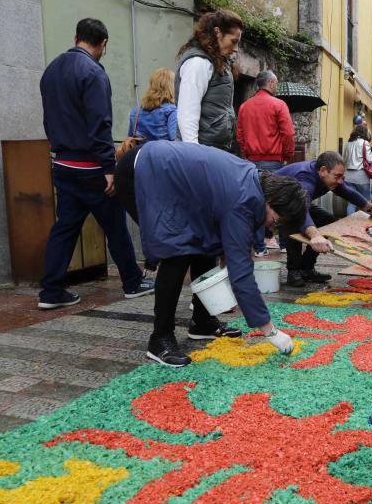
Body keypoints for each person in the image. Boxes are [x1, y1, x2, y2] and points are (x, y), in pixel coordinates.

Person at [114, 141, 307, 367]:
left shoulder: (257, 186)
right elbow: (241, 273)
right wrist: (271, 331)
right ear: (272, 201)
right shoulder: (243, 200)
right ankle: (160, 339)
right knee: (177, 251)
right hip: (141, 172)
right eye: (276, 221)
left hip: (169, 178)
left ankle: (202, 322)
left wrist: (226, 248)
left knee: (204, 245)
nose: (271, 227)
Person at [37, 18, 153, 310]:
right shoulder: (93, 72)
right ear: (103, 44)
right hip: (91, 166)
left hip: (63, 163)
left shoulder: (51, 71)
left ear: (76, 37)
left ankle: (50, 290)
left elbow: (49, 120)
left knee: (65, 228)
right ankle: (132, 281)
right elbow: (100, 124)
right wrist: (109, 168)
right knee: (115, 225)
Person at [277, 152, 372, 287]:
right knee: (295, 226)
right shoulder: (305, 178)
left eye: (342, 177)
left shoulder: (328, 177)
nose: (340, 181)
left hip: (300, 203)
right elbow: (300, 210)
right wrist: (315, 235)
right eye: (337, 176)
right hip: (281, 205)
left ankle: (306, 268)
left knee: (328, 222)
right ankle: (293, 272)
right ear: (323, 171)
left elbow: (349, 192)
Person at [236, 69, 295, 256]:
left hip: (251, 162)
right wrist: (287, 155)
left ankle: (260, 247)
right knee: (281, 203)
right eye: (275, 84)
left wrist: (248, 153)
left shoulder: (245, 107)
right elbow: (288, 134)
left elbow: (240, 135)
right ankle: (285, 244)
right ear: (270, 83)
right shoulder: (279, 105)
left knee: (255, 204)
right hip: (274, 162)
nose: (276, 87)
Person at [175, 9, 244, 151]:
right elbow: (187, 115)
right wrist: (194, 155)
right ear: (218, 32)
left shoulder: (218, 63)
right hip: (201, 152)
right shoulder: (198, 62)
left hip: (213, 150)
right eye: (233, 41)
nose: (236, 49)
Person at [127, 68, 177, 143]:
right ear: (171, 87)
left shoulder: (136, 111)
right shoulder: (172, 111)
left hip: (141, 153)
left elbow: (131, 138)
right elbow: (174, 140)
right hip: (163, 153)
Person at [343, 125, 372, 215]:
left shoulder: (348, 143)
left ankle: (350, 223)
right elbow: (370, 159)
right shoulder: (365, 143)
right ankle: (364, 224)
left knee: (351, 202)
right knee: (366, 202)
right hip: (361, 176)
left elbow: (343, 160)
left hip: (348, 176)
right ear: (364, 133)